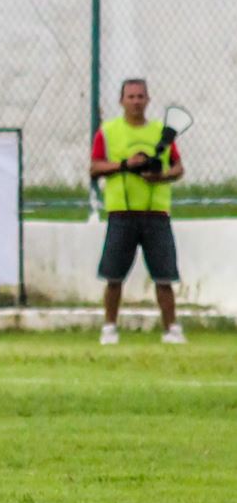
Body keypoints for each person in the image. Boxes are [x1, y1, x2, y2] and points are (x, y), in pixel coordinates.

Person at [90, 77, 187, 345]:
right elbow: (95, 167)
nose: (135, 102)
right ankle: (109, 327)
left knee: (164, 276)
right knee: (114, 275)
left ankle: (172, 329)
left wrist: (161, 176)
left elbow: (178, 168)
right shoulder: (109, 131)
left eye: (140, 96)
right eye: (130, 97)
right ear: (121, 101)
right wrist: (124, 164)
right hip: (122, 212)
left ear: (148, 100)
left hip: (156, 213)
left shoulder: (160, 132)